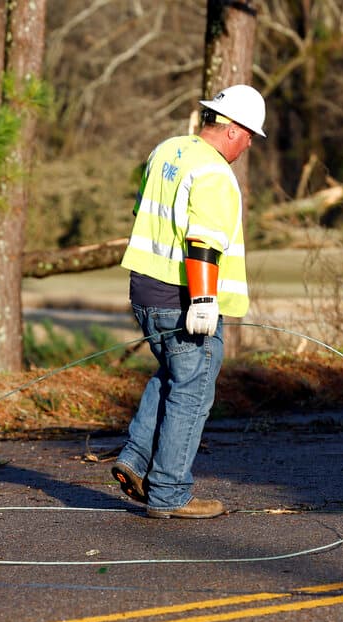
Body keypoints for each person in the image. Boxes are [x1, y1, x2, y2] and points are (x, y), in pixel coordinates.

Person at [111, 84, 266, 519]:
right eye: (250, 133)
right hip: (182, 298)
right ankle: (169, 494)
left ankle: (135, 459)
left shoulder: (169, 151)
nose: (250, 142)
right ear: (232, 129)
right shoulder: (215, 174)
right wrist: (202, 300)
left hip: (144, 289)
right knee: (193, 391)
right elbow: (202, 243)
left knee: (172, 375)